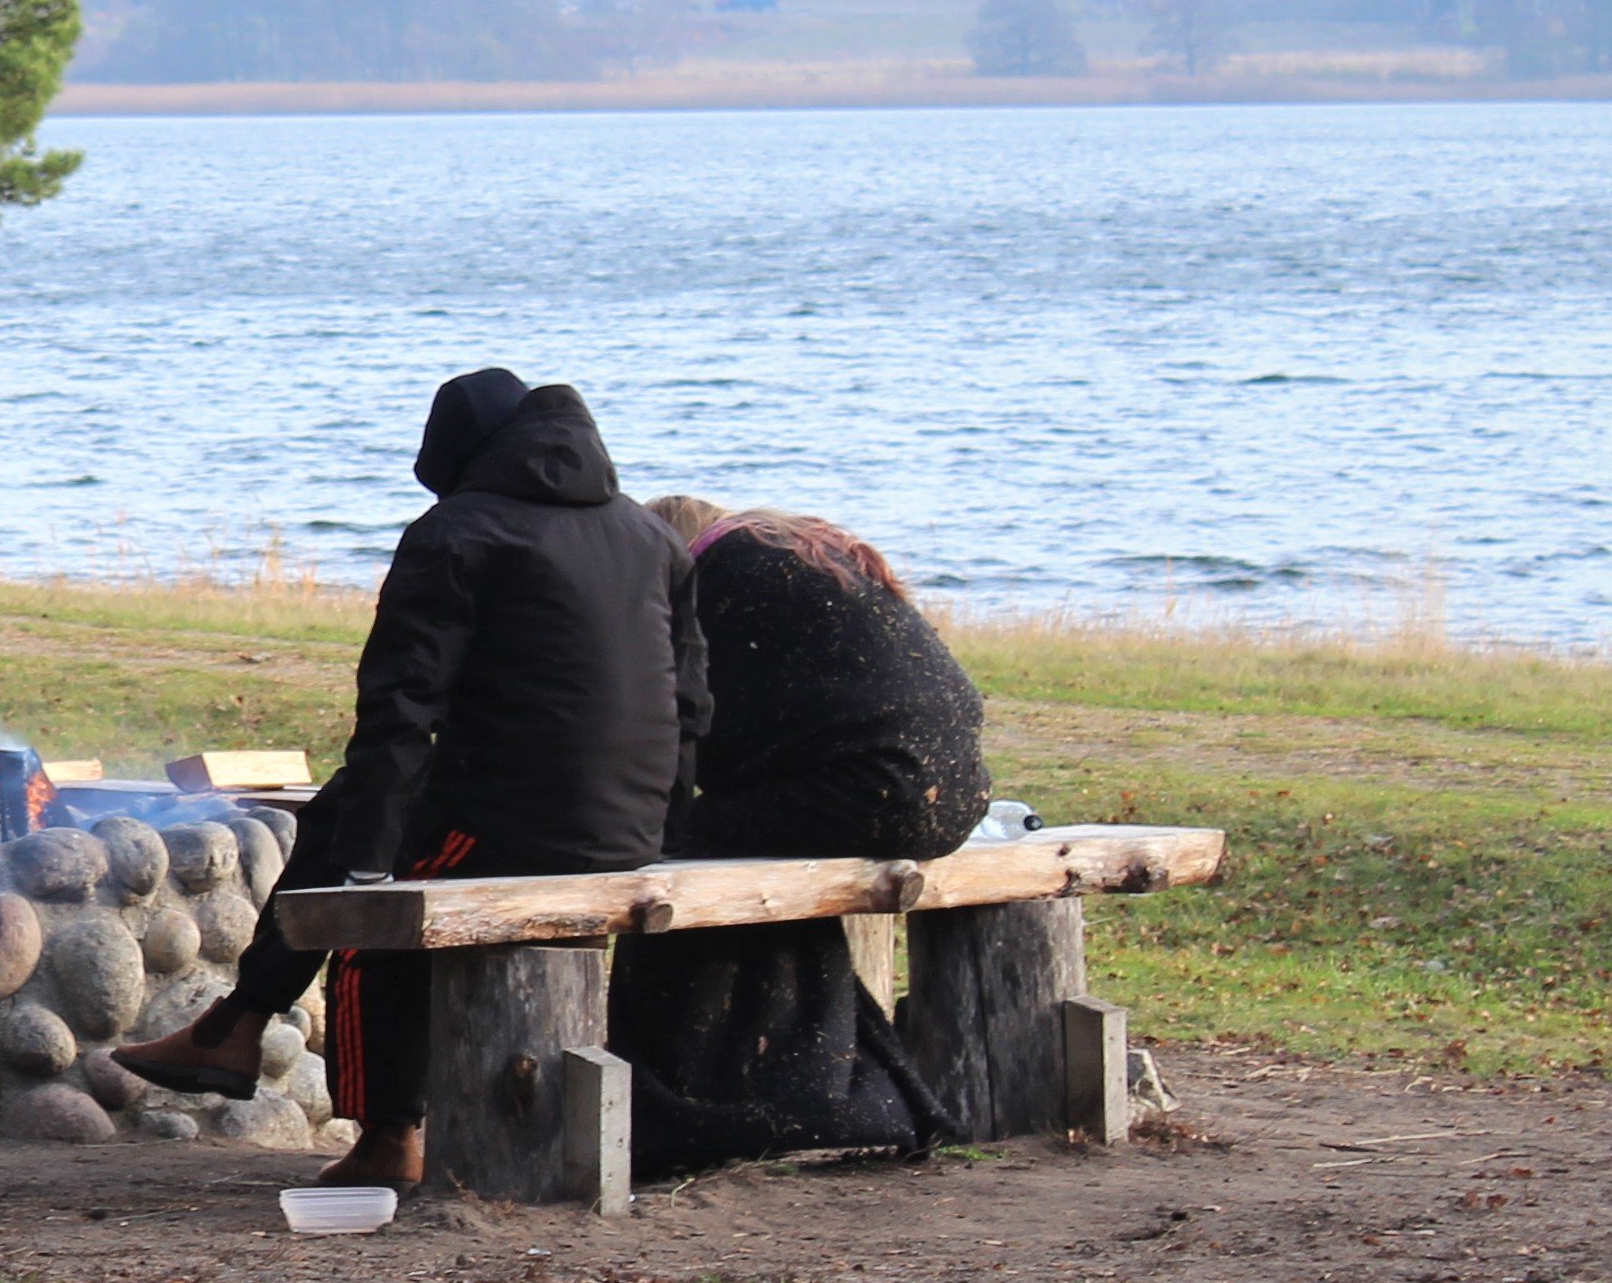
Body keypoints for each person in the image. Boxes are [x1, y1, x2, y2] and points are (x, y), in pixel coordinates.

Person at [108, 368, 704, 1184]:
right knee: (349, 811)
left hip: (510, 821)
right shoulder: (652, 536)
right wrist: (663, 832)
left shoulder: (459, 532)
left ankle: (385, 1136)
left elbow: (398, 711)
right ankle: (235, 1026)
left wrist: (366, 869)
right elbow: (690, 703)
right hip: (630, 825)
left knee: (365, 923)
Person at [609, 498, 990, 1175]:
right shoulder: (799, 555)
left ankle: (701, 1095)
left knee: (661, 850)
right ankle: (806, 1069)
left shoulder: (716, 577)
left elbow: (688, 720)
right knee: (721, 835)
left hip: (878, 792)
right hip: (954, 791)